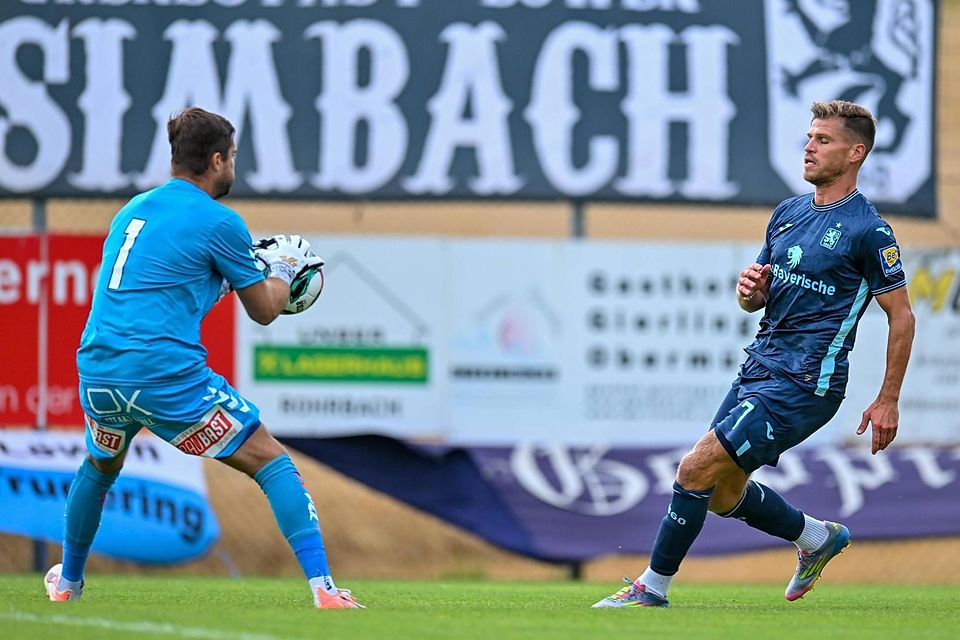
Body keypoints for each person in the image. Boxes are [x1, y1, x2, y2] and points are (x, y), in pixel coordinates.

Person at [593, 100, 916, 608]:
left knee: (695, 468)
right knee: (721, 492)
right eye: (809, 138)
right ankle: (815, 537)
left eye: (823, 141)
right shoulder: (788, 213)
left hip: (807, 382)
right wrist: (750, 290)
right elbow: (754, 299)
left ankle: (650, 588)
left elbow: (902, 315)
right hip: (761, 366)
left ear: (856, 153)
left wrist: (888, 398)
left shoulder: (868, 231)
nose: (809, 148)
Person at [43, 107, 363, 610]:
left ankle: (68, 583)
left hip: (100, 369)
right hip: (163, 375)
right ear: (216, 160)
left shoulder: (133, 211)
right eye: (232, 156)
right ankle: (325, 590)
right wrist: (281, 269)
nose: (234, 165)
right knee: (270, 461)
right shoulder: (220, 222)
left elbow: (170, 287)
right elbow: (263, 311)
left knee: (100, 466)